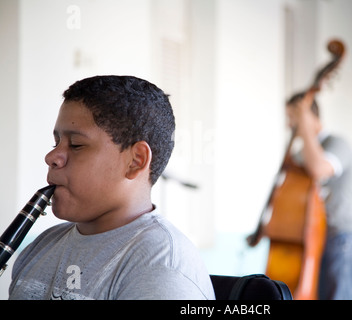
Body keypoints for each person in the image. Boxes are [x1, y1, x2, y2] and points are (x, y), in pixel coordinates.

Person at [9, 75, 215, 300]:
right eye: (56, 142)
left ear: (135, 161)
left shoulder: (161, 268)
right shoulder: (41, 247)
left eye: (76, 145)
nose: (51, 157)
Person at [286, 90, 352, 300]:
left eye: (293, 119)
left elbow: (319, 168)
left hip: (341, 238)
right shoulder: (303, 154)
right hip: (315, 240)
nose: (289, 126)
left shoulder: (338, 145)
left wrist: (306, 127)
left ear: (310, 117)